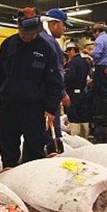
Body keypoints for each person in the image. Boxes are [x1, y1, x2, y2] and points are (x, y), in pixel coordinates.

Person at [0, 6, 63, 167]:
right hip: (9, 106)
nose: (29, 36)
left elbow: (54, 82)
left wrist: (50, 109)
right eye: (26, 32)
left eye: (33, 33)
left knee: (35, 150)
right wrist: (3, 92)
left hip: (35, 108)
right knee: (8, 148)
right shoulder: (8, 45)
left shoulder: (46, 48)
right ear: (19, 26)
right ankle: (9, 173)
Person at [40, 8, 72, 138]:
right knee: (52, 135)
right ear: (54, 24)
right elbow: (55, 73)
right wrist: (63, 94)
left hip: (36, 96)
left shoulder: (39, 37)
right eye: (63, 25)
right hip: (48, 97)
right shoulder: (51, 43)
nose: (64, 29)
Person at [82, 23, 107, 119]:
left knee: (100, 91)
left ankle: (101, 114)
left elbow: (96, 55)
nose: (93, 35)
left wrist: (87, 52)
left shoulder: (99, 40)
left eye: (93, 33)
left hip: (101, 68)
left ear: (97, 31)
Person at [64, 42, 91, 138]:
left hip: (73, 94)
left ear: (72, 50)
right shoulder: (85, 62)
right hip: (83, 93)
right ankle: (85, 139)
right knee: (83, 116)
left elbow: (69, 78)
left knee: (74, 117)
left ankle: (75, 140)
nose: (68, 54)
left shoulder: (72, 63)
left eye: (68, 51)